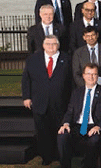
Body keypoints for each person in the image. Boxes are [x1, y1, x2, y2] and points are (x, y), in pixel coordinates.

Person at [22, 35, 71, 165]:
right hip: (39, 101)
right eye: (48, 44)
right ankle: (46, 157)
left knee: (59, 130)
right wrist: (26, 96)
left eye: (54, 44)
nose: (51, 46)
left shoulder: (66, 59)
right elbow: (26, 79)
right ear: (43, 45)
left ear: (58, 45)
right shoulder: (33, 59)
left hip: (60, 102)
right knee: (42, 131)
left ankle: (59, 156)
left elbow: (71, 81)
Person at [57, 63, 101, 168]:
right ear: (83, 75)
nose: (91, 77)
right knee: (62, 136)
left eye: (94, 74)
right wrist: (66, 123)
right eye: (88, 74)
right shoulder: (76, 92)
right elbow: (70, 111)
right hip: (77, 126)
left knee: (94, 140)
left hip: (94, 126)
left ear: (97, 76)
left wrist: (99, 126)